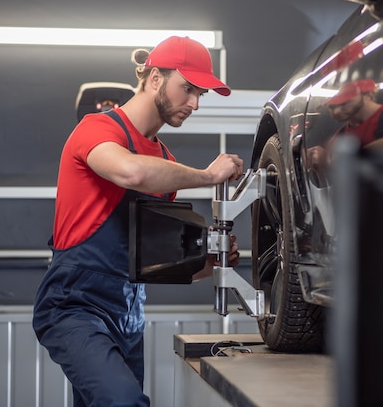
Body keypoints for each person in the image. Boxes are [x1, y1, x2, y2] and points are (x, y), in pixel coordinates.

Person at [32, 36, 244, 407]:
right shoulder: (98, 129)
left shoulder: (164, 160)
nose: (194, 103)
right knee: (124, 402)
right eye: (188, 89)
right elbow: (131, 172)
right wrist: (208, 176)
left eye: (201, 95)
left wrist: (205, 266)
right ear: (156, 79)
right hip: (75, 307)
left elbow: (147, 264)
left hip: (129, 315)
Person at [307, 79, 383, 171]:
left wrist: (355, 154)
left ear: (367, 95)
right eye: (331, 107)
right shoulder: (341, 136)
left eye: (344, 103)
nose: (336, 112)